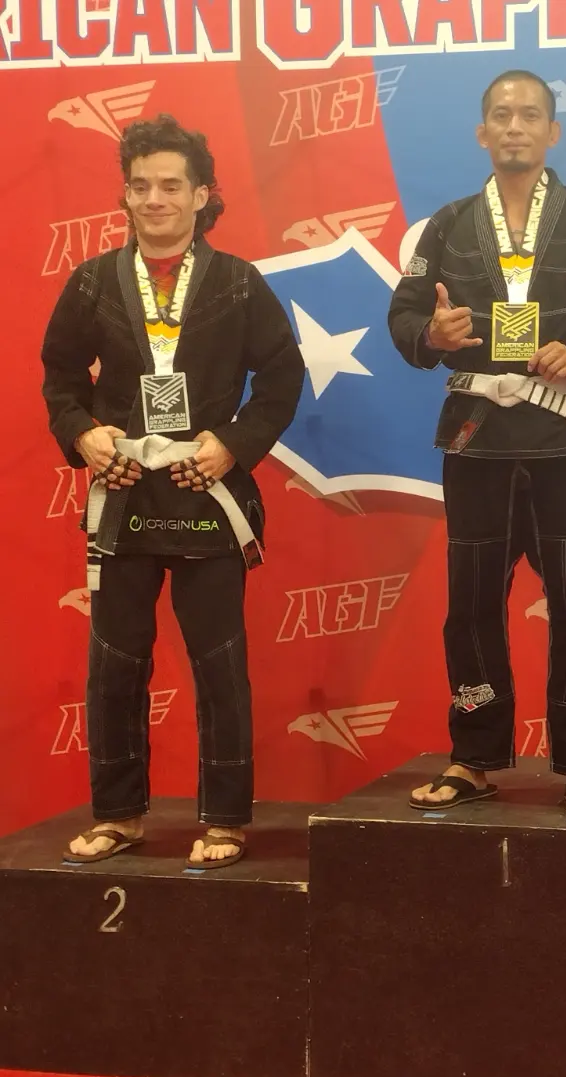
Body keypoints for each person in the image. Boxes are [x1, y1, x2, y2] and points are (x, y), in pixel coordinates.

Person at [387, 70, 566, 816]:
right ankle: (473, 755)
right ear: (482, 133)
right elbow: (404, 316)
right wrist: (430, 334)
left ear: (553, 132)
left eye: (530, 115)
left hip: (562, 435)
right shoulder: (447, 225)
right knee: (471, 604)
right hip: (476, 438)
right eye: (502, 115)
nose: (515, 126)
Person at [42, 114, 305, 869]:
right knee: (115, 665)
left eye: (169, 186)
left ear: (201, 195)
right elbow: (61, 377)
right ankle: (118, 814)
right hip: (124, 490)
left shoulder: (238, 282)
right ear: (125, 196)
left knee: (219, 664)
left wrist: (234, 445)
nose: (154, 199)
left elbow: (282, 377)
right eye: (140, 186)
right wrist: (84, 435)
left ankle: (225, 819)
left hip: (203, 489)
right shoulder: (93, 281)